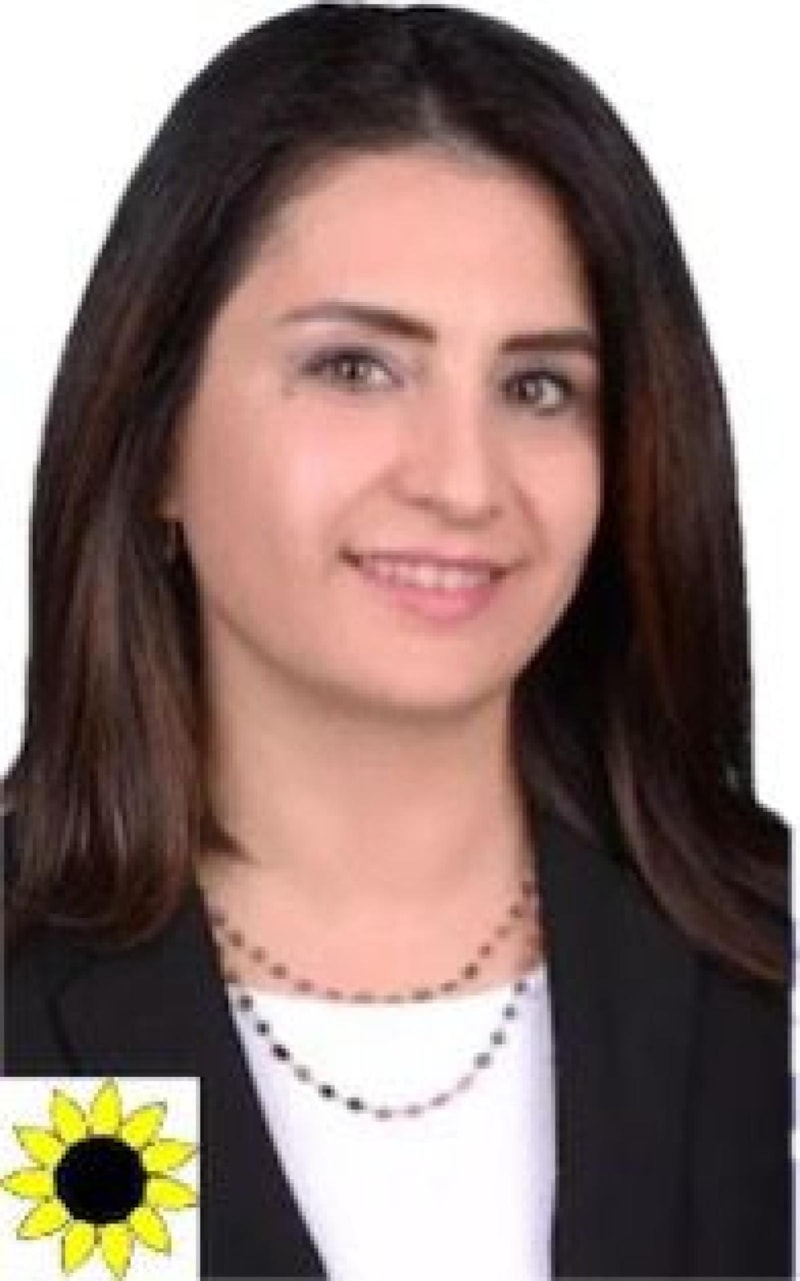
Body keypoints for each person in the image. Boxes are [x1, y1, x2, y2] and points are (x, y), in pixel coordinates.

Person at [2, 3, 790, 1278]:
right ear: (152, 439)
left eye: (536, 387)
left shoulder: (760, 971)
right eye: (355, 368)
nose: (462, 482)